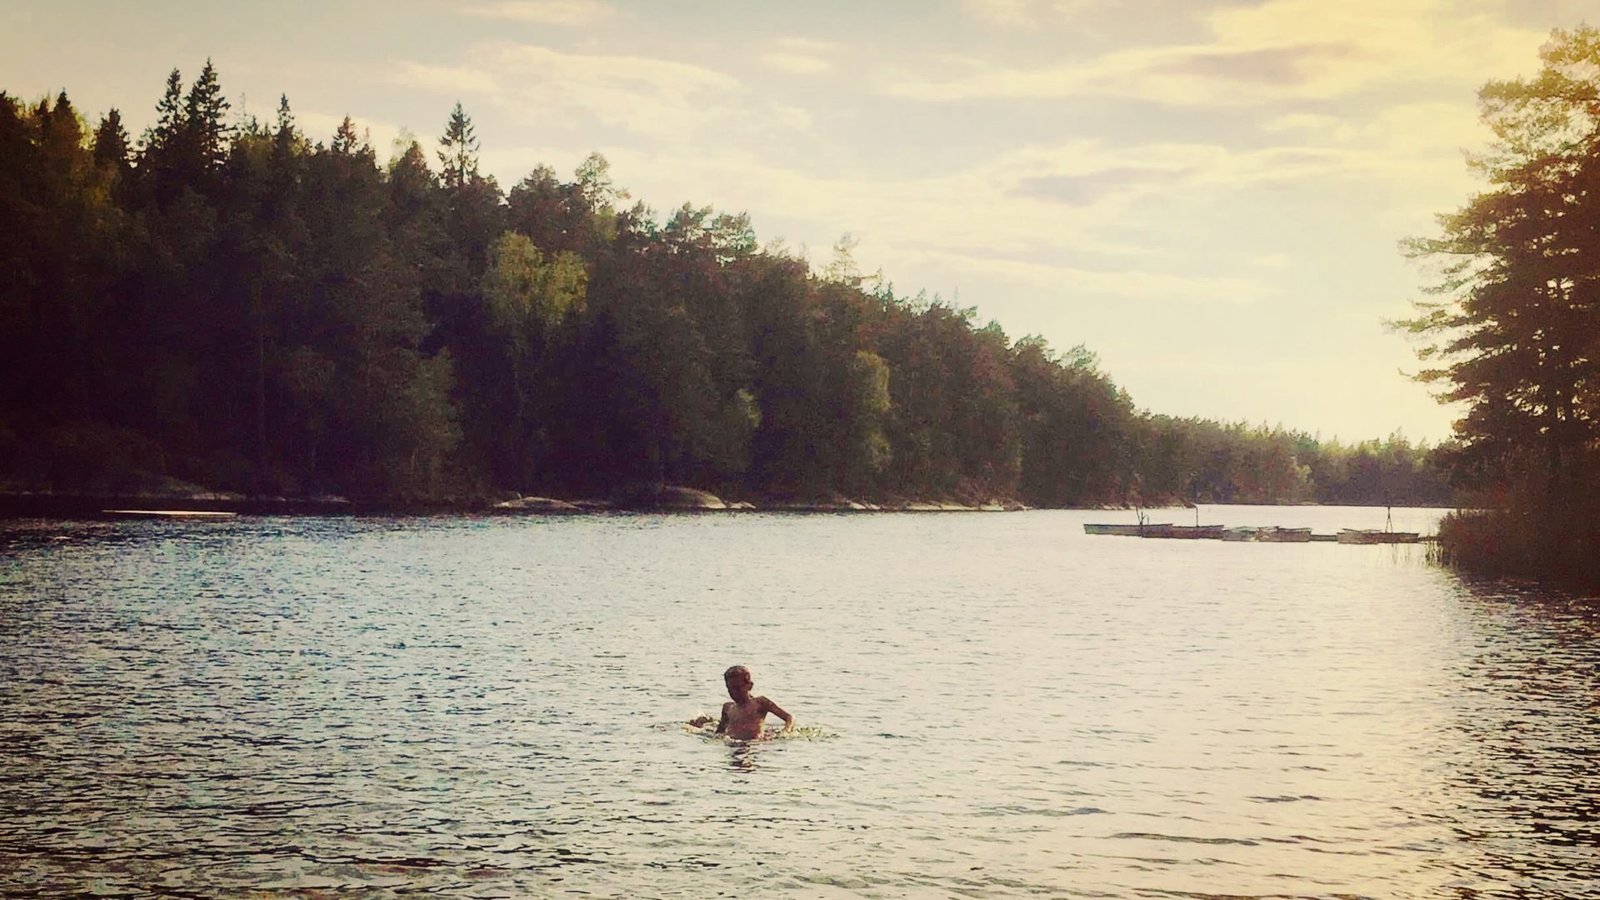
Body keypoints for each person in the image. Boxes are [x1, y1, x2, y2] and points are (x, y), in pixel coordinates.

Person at [710, 665, 793, 740]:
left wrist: (786, 731)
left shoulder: (760, 703)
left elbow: (789, 717)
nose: (734, 692)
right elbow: (719, 733)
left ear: (750, 686)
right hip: (732, 743)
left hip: (754, 744)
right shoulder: (728, 707)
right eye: (730, 688)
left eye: (738, 688)